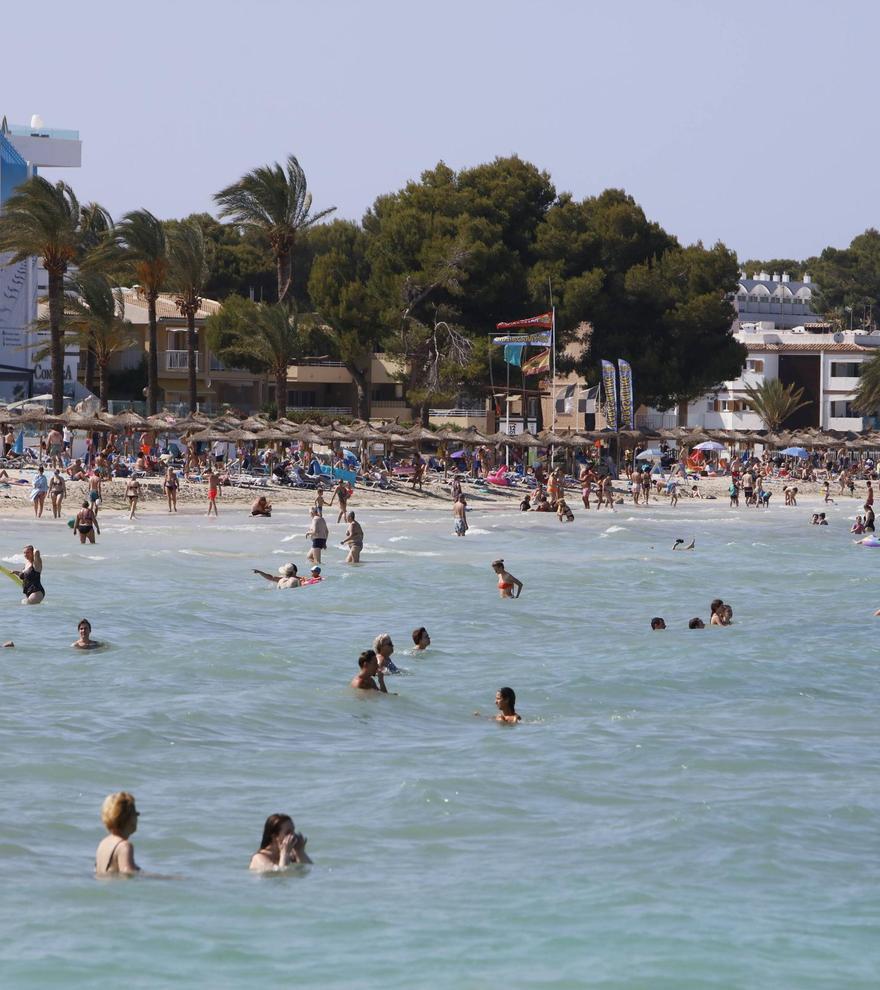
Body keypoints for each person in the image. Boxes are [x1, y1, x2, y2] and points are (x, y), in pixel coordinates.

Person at [95, 791, 140, 876]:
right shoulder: (124, 846)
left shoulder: (103, 843)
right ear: (129, 819)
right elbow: (128, 874)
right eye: (136, 814)